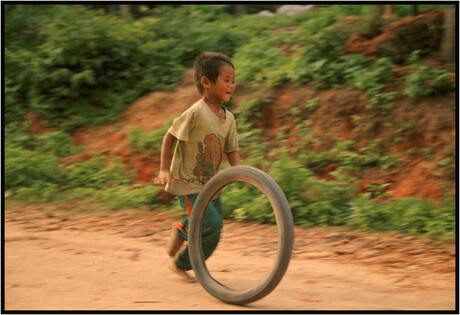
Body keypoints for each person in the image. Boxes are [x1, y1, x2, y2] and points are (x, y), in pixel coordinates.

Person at [153, 52, 241, 282]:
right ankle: (180, 259)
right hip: (188, 183)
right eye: (226, 79)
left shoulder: (229, 118)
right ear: (206, 82)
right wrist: (164, 169)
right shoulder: (196, 112)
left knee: (214, 231)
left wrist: (241, 172)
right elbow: (170, 137)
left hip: (212, 185)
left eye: (233, 80)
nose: (232, 85)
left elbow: (232, 149)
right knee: (211, 223)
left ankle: (183, 229)